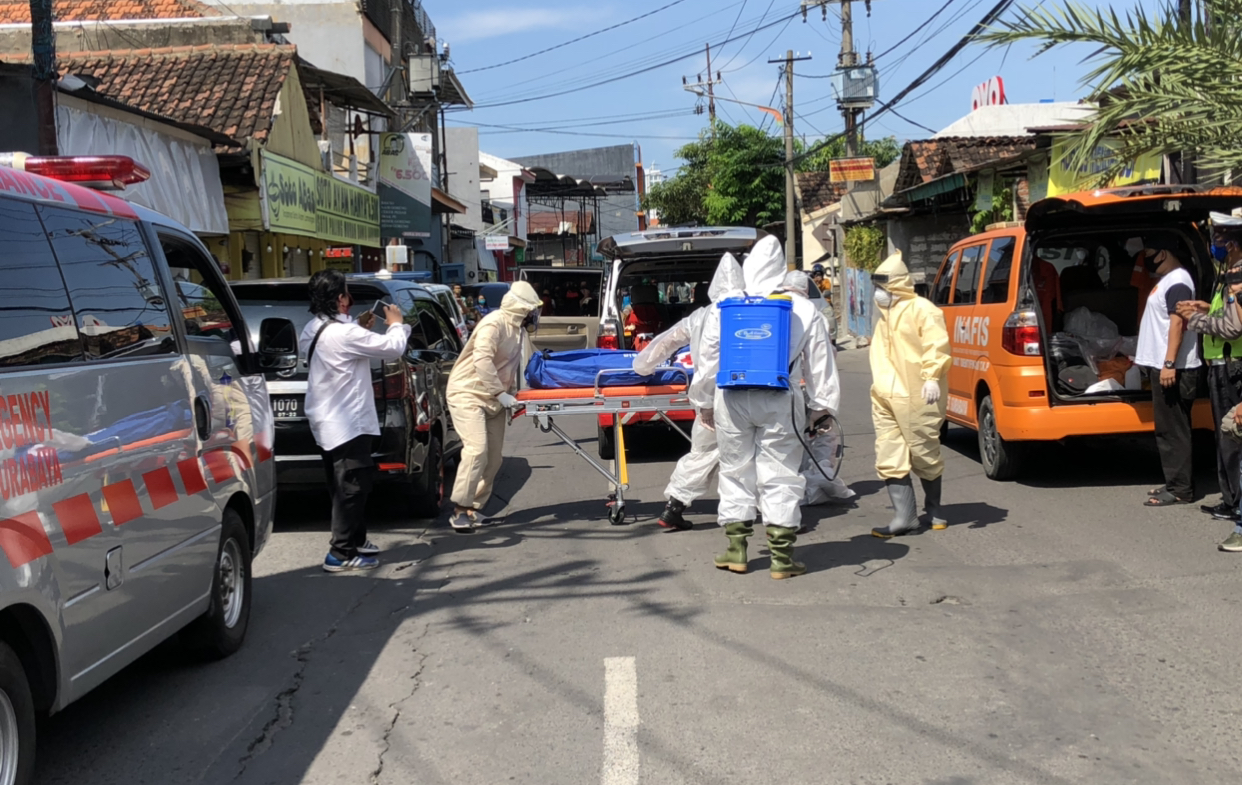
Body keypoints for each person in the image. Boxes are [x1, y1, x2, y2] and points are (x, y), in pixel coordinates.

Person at [695, 237, 840, 579]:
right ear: (781, 270)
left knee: (735, 469)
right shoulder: (803, 309)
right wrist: (822, 408)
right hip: (780, 398)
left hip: (731, 398)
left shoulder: (725, 306)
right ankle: (781, 557)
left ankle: (737, 550)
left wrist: (702, 402)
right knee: (781, 472)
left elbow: (707, 361)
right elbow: (821, 365)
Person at [300, 270, 411, 572]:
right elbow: (393, 348)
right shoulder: (344, 334)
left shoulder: (313, 328)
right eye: (347, 292)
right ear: (341, 299)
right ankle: (341, 553)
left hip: (326, 419)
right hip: (347, 420)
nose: (350, 298)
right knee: (352, 486)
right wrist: (397, 325)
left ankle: (356, 539)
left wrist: (358, 325)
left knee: (341, 484)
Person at [632, 253, 745, 530]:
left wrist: (642, 366)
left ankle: (674, 507)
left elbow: (667, 342)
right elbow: (712, 362)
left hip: (714, 397)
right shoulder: (752, 311)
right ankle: (775, 517)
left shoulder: (701, 316)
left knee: (703, 453)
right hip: (744, 395)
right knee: (757, 455)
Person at [446, 281, 544, 532]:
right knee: (477, 450)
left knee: (493, 459)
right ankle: (459, 509)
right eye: (531, 309)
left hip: (494, 397)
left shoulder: (517, 330)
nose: (534, 315)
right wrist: (500, 393)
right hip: (467, 392)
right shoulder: (493, 323)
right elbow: (482, 360)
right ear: (520, 308)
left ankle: (473, 508)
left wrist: (524, 395)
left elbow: (520, 364)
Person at [868, 252, 952, 538]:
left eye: (883, 288)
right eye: (877, 288)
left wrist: (931, 377)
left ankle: (935, 510)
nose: (878, 294)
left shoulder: (923, 310)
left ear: (898, 286)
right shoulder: (884, 318)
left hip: (919, 394)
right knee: (889, 452)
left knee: (924, 452)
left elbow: (936, 346)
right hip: (885, 395)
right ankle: (904, 518)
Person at [1175, 214, 1242, 530]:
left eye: (1219, 238)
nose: (1214, 244)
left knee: (1232, 437)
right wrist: (1204, 307)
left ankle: (1236, 504)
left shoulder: (1237, 277)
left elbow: (1233, 327)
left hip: (1232, 368)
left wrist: (1195, 322)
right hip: (1221, 365)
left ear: (1231, 243)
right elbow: (1224, 313)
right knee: (1225, 438)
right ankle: (1230, 500)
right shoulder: (1228, 274)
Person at [780, 271, 855, 509]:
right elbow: (823, 361)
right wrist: (822, 406)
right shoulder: (812, 313)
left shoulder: (774, 308)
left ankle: (791, 491)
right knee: (821, 437)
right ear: (805, 289)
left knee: (788, 442)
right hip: (806, 390)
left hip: (779, 390)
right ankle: (813, 484)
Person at [1137, 235, 1202, 506]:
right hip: (1165, 364)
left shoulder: (1177, 282)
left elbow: (1178, 325)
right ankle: (1174, 481)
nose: (1147, 260)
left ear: (1164, 253)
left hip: (1174, 367)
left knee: (1173, 430)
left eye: (1150, 253)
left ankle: (1180, 490)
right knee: (1168, 428)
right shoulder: (1169, 280)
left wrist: (1168, 364)